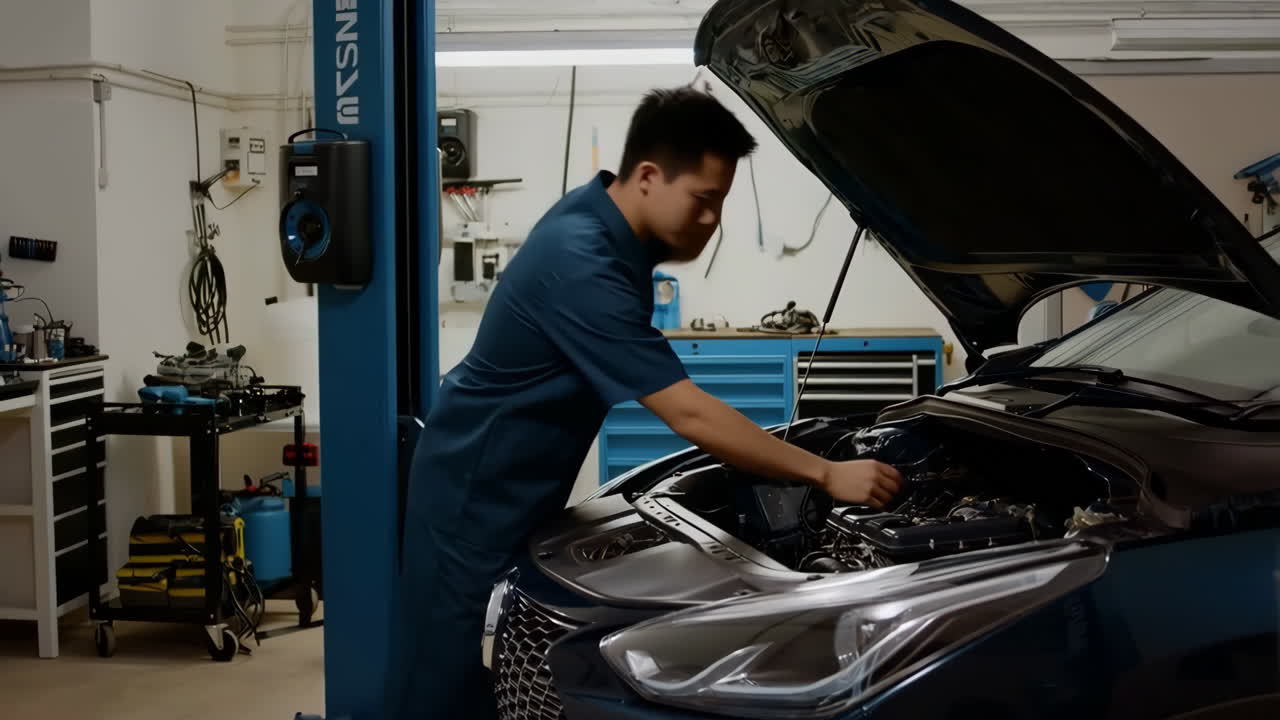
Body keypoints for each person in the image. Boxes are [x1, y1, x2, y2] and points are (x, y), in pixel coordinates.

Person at [389, 86, 902, 719]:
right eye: (704, 200)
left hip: (511, 494)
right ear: (649, 177)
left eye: (721, 202)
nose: (713, 220)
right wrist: (826, 471)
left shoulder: (604, 229)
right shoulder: (581, 258)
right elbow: (686, 413)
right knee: (447, 689)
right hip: (471, 508)